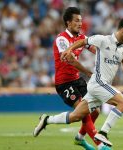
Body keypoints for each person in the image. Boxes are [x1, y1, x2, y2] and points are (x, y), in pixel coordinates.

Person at [33, 17, 123, 148]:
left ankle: (47, 120)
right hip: (98, 83)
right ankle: (103, 133)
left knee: (76, 116)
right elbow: (83, 41)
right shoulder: (103, 40)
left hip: (103, 85)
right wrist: (69, 49)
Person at [33, 7, 109, 150]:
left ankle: (79, 138)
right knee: (83, 111)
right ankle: (100, 145)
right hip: (64, 83)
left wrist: (108, 53)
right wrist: (89, 73)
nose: (80, 23)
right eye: (76, 21)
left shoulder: (81, 37)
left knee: (96, 110)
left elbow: (95, 49)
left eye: (81, 20)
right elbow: (70, 60)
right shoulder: (62, 39)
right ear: (68, 23)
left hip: (77, 79)